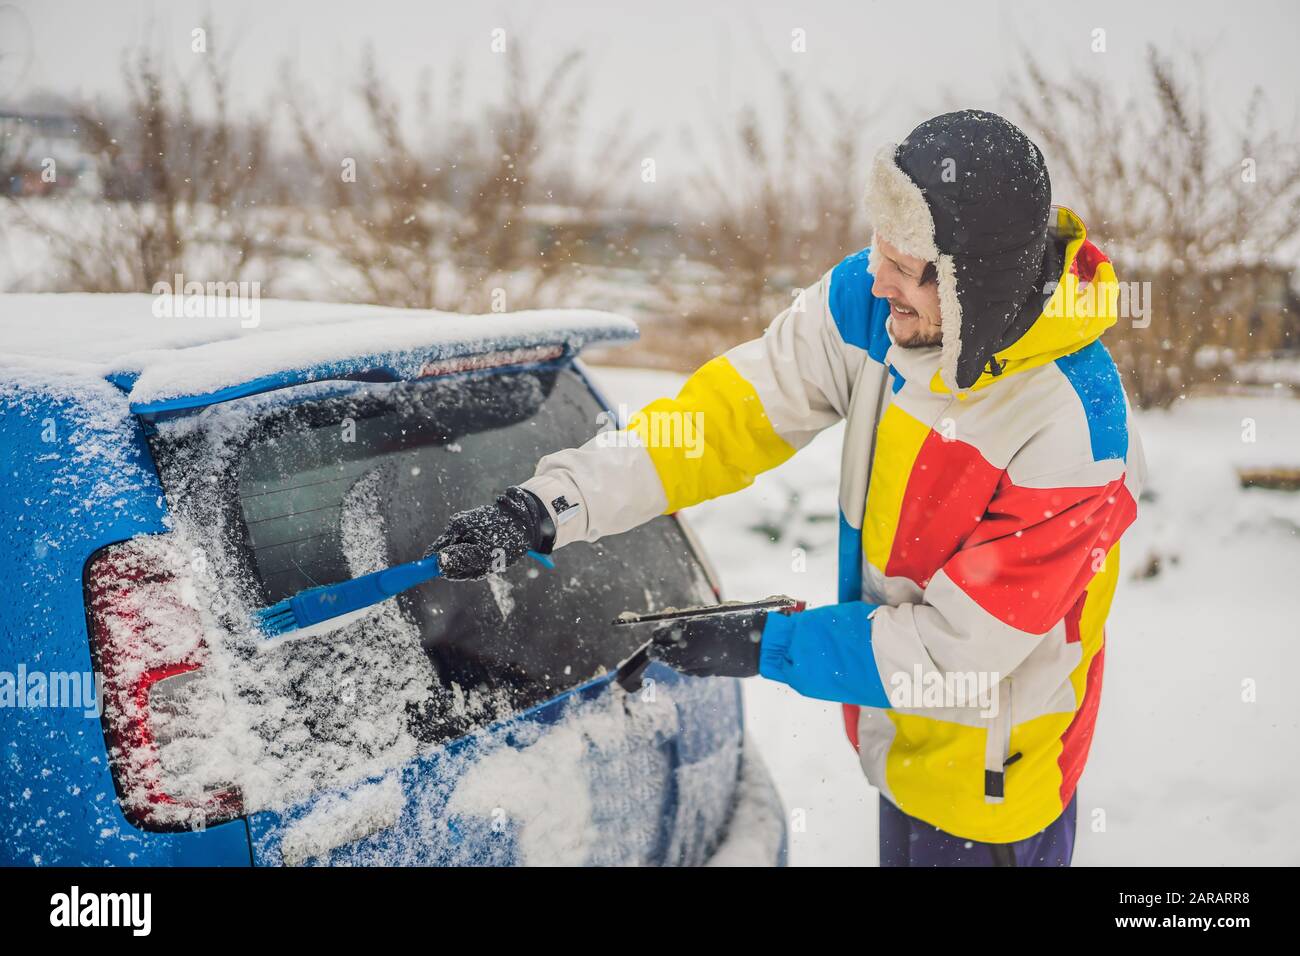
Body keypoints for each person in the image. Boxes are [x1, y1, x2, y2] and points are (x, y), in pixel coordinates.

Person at [430, 110, 1146, 867]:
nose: (876, 278)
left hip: (994, 780)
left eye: (905, 265)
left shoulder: (1072, 423)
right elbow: (720, 421)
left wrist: (766, 643)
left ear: (980, 285)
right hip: (897, 742)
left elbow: (953, 657)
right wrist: (552, 503)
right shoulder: (874, 308)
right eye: (880, 247)